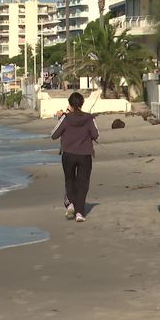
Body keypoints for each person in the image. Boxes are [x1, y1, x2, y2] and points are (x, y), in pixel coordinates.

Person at [50, 92, 99, 222]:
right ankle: (79, 213)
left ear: (70, 104)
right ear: (82, 103)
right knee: (83, 183)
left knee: (69, 180)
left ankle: (71, 204)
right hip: (85, 155)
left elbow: (54, 134)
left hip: (68, 155)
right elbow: (95, 134)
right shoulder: (89, 118)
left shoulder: (65, 118)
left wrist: (60, 118)